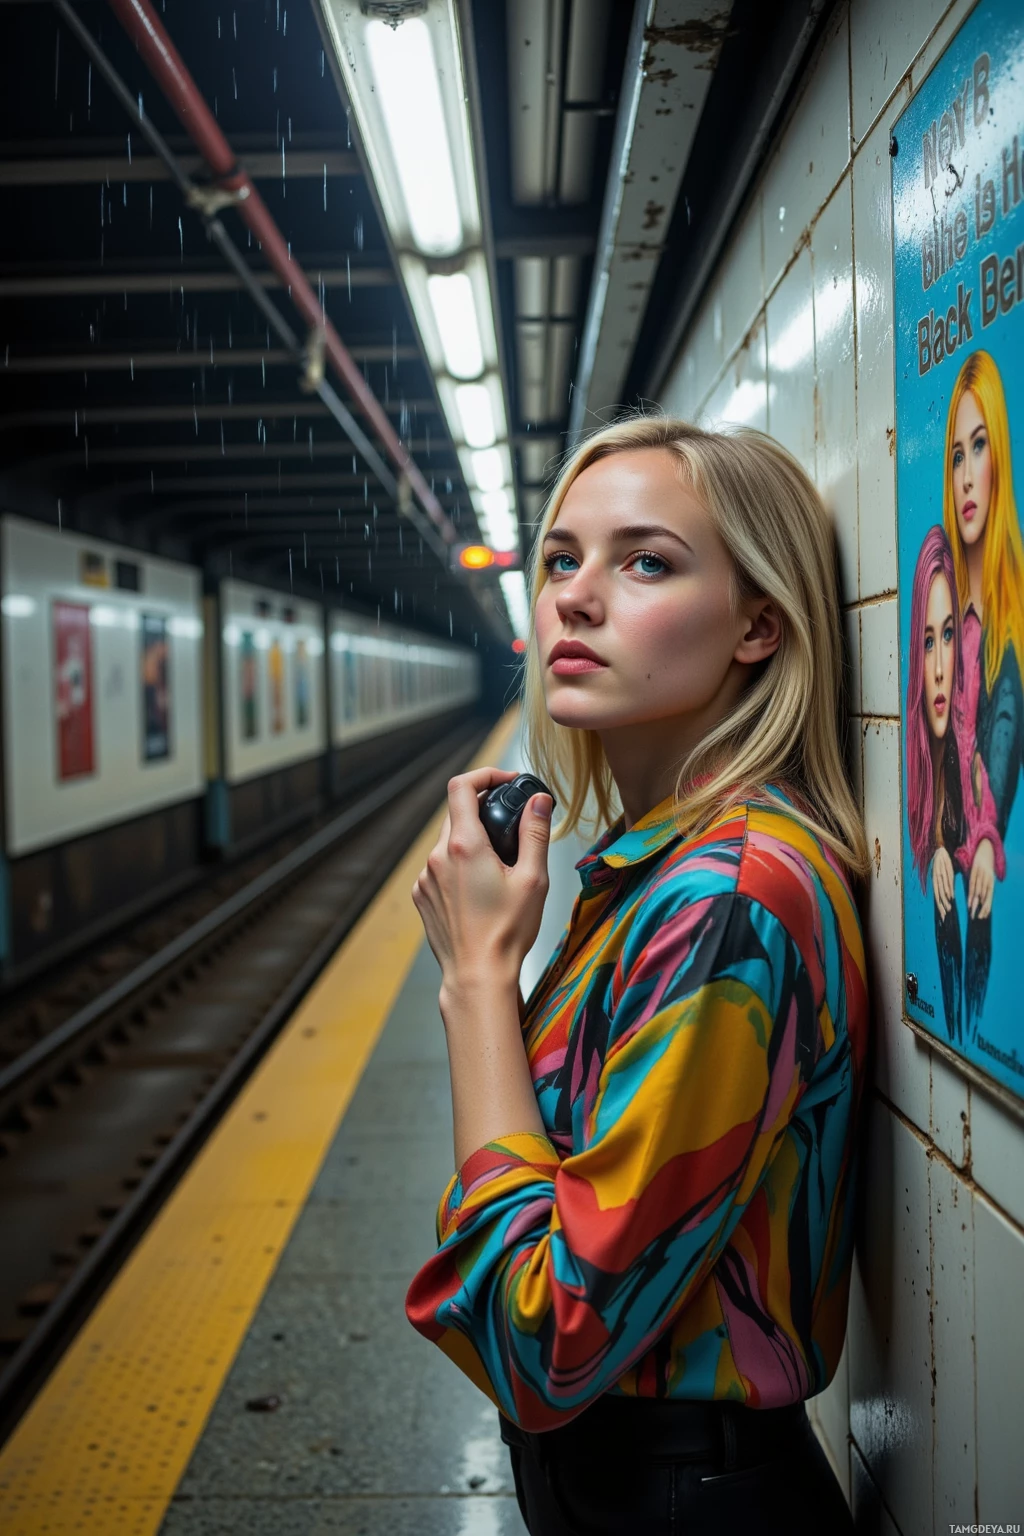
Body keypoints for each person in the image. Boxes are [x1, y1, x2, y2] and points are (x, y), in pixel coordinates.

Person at [405, 417, 869, 1534]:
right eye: (562, 558)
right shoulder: (658, 865)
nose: (573, 594)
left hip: (680, 1498)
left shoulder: (725, 901)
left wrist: (476, 981)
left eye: (645, 561)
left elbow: (547, 1340)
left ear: (760, 626)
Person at [905, 526, 1003, 1044]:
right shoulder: (920, 770)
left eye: (948, 635)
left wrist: (980, 844)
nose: (939, 668)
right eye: (926, 641)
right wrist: (938, 849)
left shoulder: (971, 742)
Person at [943, 350, 1024, 855]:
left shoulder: (1008, 631)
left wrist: (988, 837)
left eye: (979, 447)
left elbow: (1007, 720)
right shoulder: (943, 621)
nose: (967, 476)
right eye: (956, 457)